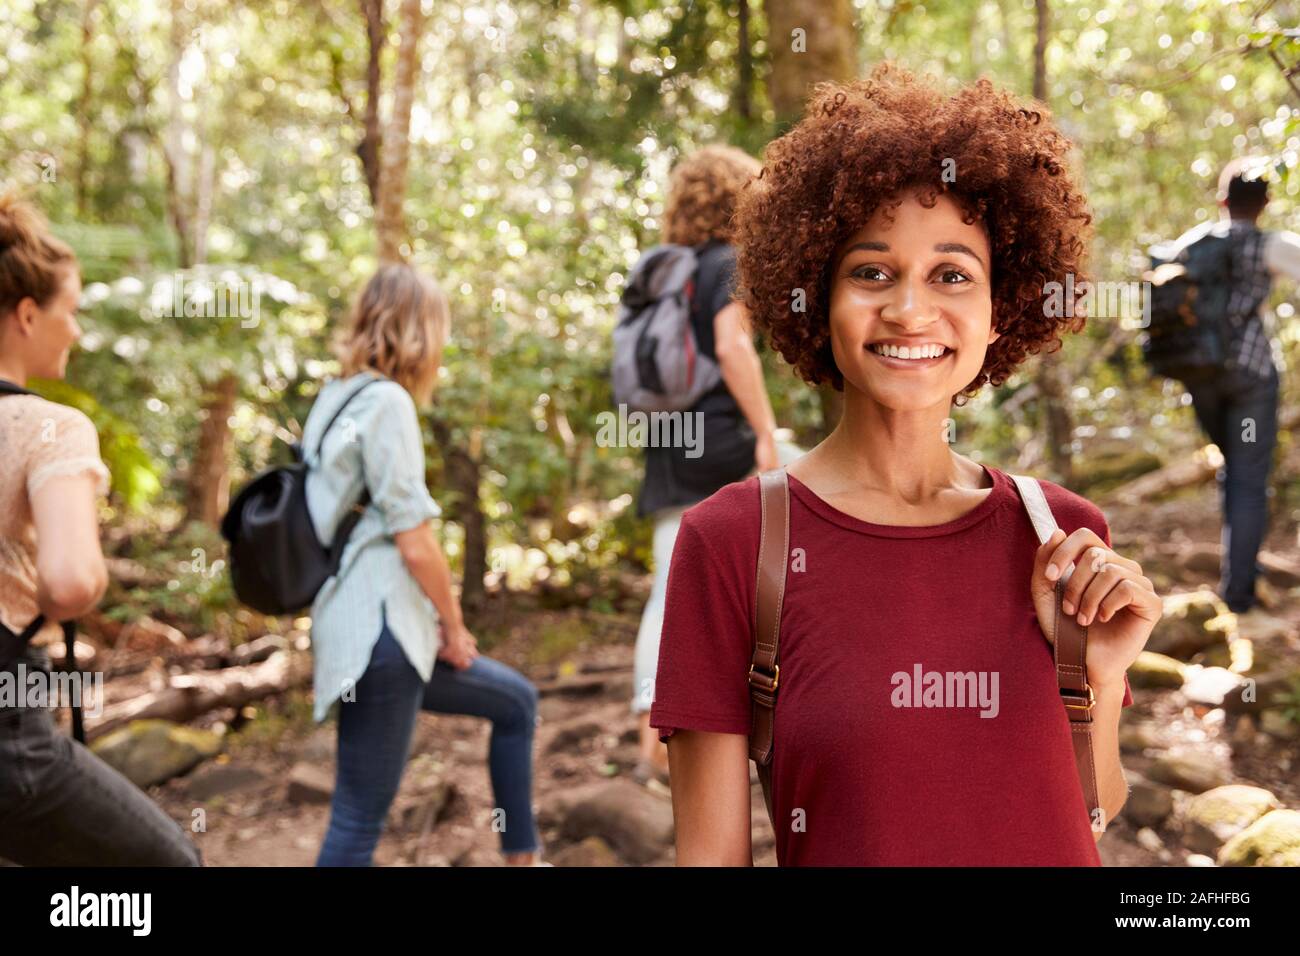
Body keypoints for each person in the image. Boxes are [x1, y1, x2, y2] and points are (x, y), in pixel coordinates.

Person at [650, 64, 1159, 866]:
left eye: (952, 275)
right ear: (818, 295)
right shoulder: (734, 541)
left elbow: (1091, 808)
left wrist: (1096, 677)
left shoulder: (1063, 532)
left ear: (1001, 311)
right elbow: (711, 859)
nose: (910, 309)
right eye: (871, 272)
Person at [307, 263, 545, 866]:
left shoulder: (335, 398)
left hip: (359, 631)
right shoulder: (387, 402)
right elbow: (414, 542)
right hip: (383, 635)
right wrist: (454, 625)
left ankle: (522, 856)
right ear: (418, 331)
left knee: (515, 702)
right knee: (357, 817)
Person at [0, 191, 201, 866]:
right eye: (72, 311)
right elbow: (70, 583)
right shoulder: (49, 427)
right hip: (10, 744)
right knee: (170, 864)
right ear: (28, 314)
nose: (78, 332)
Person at [629, 145, 781, 786]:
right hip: (719, 437)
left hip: (667, 441)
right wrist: (765, 432)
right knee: (816, 499)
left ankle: (655, 736)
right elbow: (732, 344)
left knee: (673, 581)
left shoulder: (660, 272)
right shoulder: (725, 263)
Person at [1155, 158, 1300, 635]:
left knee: (1233, 470)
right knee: (1247, 477)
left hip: (1200, 377)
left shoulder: (1192, 243)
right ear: (1266, 203)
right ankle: (1239, 594)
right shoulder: (1271, 245)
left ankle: (1241, 572)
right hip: (1250, 379)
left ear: (1222, 201)